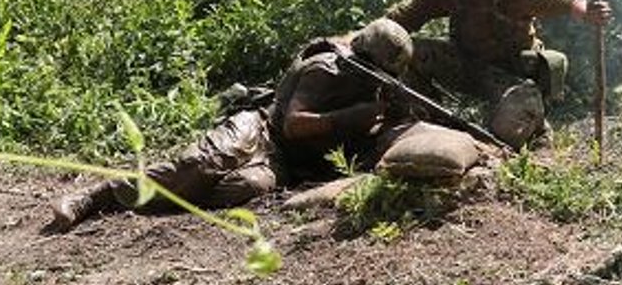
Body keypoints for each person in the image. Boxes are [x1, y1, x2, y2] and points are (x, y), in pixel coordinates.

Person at [44, 19, 416, 233]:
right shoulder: (325, 68)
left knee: (244, 187)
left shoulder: (375, 88)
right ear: (360, 52)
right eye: (370, 66)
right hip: (262, 127)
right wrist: (353, 117)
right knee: (206, 163)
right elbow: (293, 125)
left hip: (282, 162)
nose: (374, 76)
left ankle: (158, 196)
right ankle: (100, 194)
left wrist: (395, 114)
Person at [383, 0, 613, 149]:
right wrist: (357, 39)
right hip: (466, 64)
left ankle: (534, 126)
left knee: (506, 132)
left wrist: (587, 12)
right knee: (407, 51)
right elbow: (404, 18)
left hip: (511, 75)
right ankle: (433, 121)